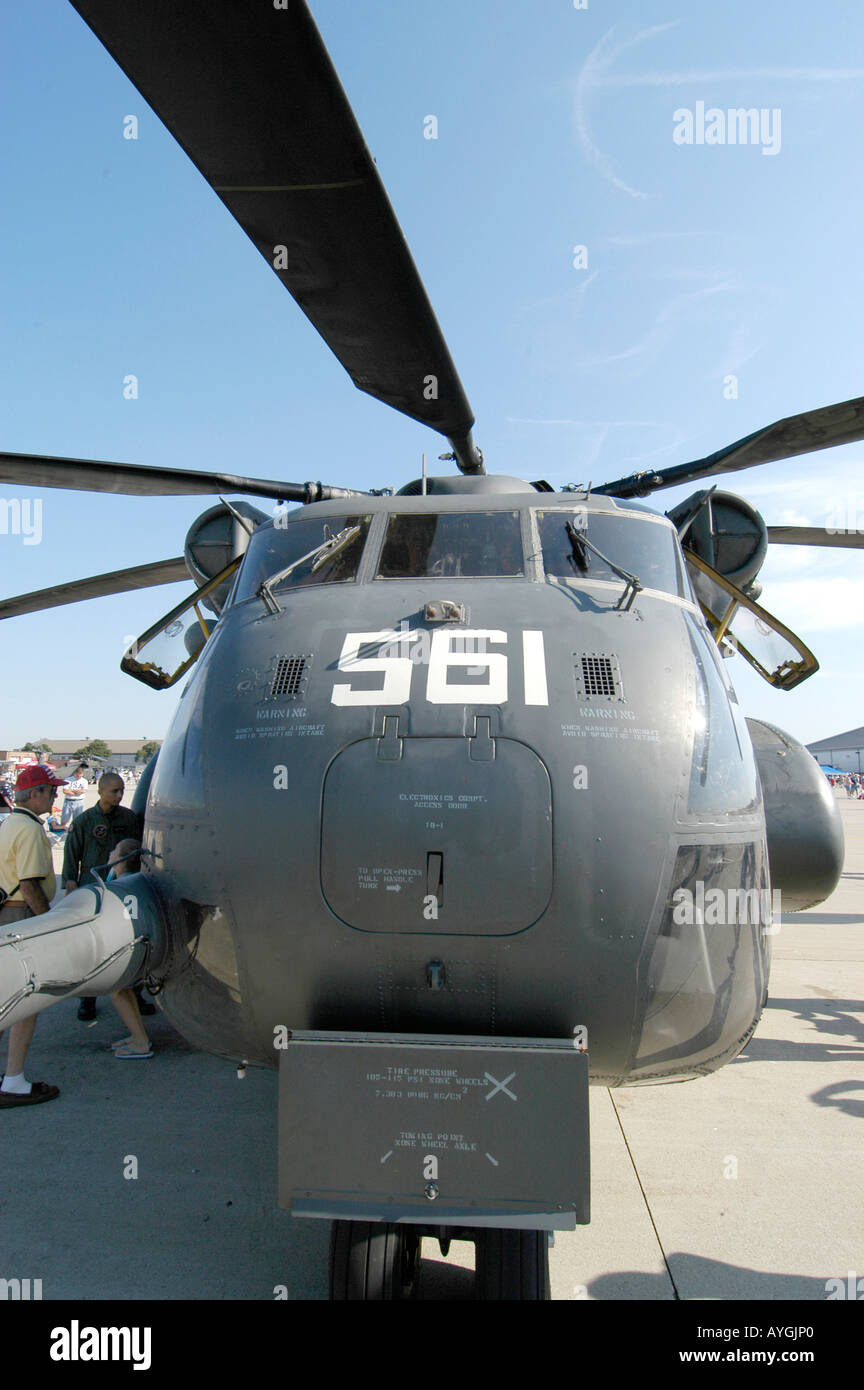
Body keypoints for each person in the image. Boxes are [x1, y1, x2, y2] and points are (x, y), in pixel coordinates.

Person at [0, 764, 66, 1107]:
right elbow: (29, 887)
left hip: (7, 914)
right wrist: (50, 926)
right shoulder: (28, 830)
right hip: (22, 914)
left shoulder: (10, 823)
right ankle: (13, 1081)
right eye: (50, 790)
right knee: (27, 998)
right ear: (35, 793)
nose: (54, 796)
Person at [62, 772, 143, 1022]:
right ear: (100, 791)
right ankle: (88, 999)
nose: (119, 795)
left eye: (121, 791)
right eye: (114, 791)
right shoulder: (85, 821)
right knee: (93, 944)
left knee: (131, 941)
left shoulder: (129, 818)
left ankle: (136, 995)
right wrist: (70, 881)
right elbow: (71, 852)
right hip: (93, 888)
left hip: (123, 888)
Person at [103, 839, 153, 1059]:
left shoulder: (120, 887)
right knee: (124, 991)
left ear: (122, 859)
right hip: (137, 947)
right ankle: (138, 1036)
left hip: (127, 949)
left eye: (115, 850)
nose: (110, 852)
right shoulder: (134, 882)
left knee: (117, 991)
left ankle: (141, 1043)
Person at [60, 764, 89, 828]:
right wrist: (76, 792)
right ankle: (62, 829)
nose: (78, 775)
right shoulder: (68, 780)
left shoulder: (84, 781)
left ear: (82, 774)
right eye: (77, 773)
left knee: (77, 819)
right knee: (64, 819)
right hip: (68, 801)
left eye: (80, 774)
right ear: (75, 773)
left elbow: (83, 791)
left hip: (79, 801)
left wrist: (71, 791)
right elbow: (65, 791)